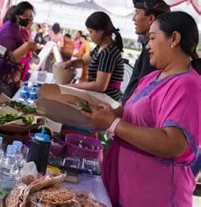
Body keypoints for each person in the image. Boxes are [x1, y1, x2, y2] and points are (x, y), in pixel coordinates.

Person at [82, 11, 200, 206]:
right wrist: (102, 110)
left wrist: (113, 123)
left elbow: (174, 143)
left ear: (175, 39)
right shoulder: (152, 78)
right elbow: (133, 115)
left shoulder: (187, 85)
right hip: (129, 185)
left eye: (152, 38)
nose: (147, 46)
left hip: (156, 194)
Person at [62, 11, 124, 101]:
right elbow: (83, 61)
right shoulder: (100, 47)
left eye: (91, 32)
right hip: (97, 98)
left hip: (106, 102)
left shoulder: (108, 52)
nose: (89, 35)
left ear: (101, 31)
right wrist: (71, 63)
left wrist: (71, 87)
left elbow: (100, 86)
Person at [121, 0, 170, 105]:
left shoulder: (154, 51)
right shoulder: (148, 47)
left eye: (137, 12)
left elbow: (143, 90)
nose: (133, 18)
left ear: (151, 19)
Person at [0, 1, 38, 99]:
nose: (29, 19)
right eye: (25, 15)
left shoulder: (19, 29)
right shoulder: (8, 30)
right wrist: (27, 46)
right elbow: (8, 57)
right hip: (2, 78)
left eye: (30, 16)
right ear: (17, 16)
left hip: (11, 78)